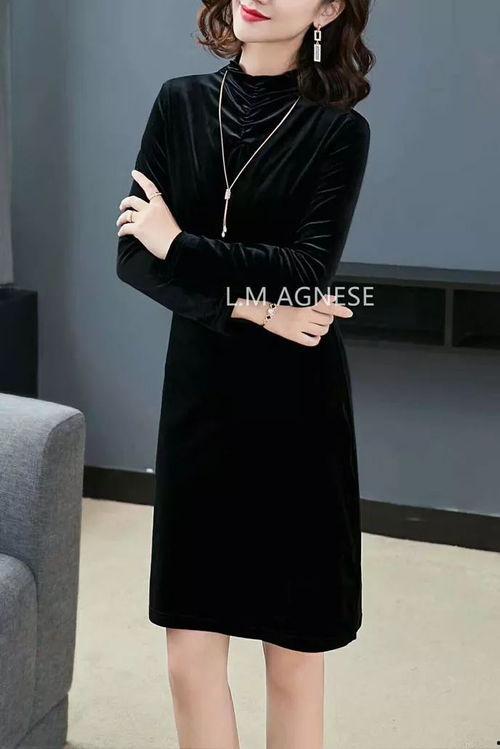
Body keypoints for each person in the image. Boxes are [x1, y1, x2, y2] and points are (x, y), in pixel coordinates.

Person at [116, 1, 374, 746]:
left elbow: (306, 270)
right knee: (189, 652)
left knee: (292, 656)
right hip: (200, 398)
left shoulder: (339, 130)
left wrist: (178, 243)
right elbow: (132, 256)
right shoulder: (179, 103)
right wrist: (257, 310)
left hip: (297, 409)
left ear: (328, 8)